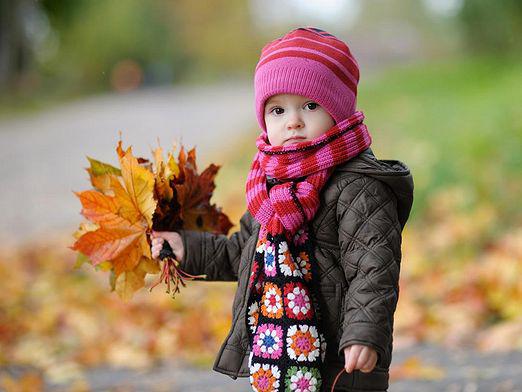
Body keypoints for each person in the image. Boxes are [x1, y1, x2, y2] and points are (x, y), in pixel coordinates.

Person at [151, 27, 414, 392]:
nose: (293, 121)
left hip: (338, 355)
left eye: (310, 105)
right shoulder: (270, 187)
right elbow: (243, 253)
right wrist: (186, 248)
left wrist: (365, 334)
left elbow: (374, 268)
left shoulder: (359, 186)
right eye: (278, 109)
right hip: (279, 353)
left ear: (339, 110)